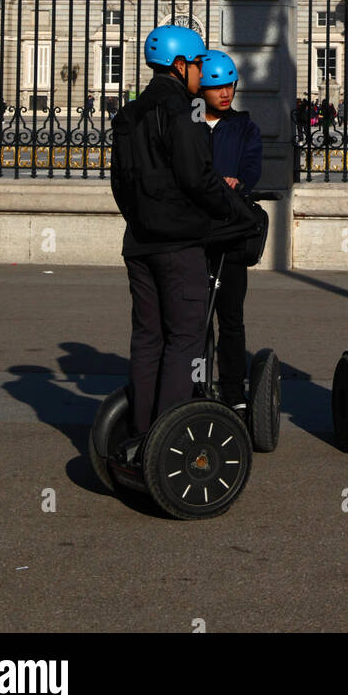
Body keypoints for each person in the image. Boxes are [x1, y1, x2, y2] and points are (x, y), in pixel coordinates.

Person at [109, 24, 244, 462]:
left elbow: (120, 184)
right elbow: (197, 178)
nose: (203, 76)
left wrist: (141, 220)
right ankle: (167, 446)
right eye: (199, 64)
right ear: (180, 65)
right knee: (185, 338)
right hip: (179, 245)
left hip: (139, 243)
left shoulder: (130, 113)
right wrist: (233, 211)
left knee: (147, 338)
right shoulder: (182, 111)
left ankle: (140, 435)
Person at [197, 49, 263, 412]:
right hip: (195, 232)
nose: (225, 93)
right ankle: (195, 385)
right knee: (195, 320)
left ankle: (234, 390)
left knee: (231, 319)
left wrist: (239, 183)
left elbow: (252, 167)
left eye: (229, 86)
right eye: (216, 87)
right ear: (201, 89)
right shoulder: (189, 124)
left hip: (231, 233)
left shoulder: (243, 127)